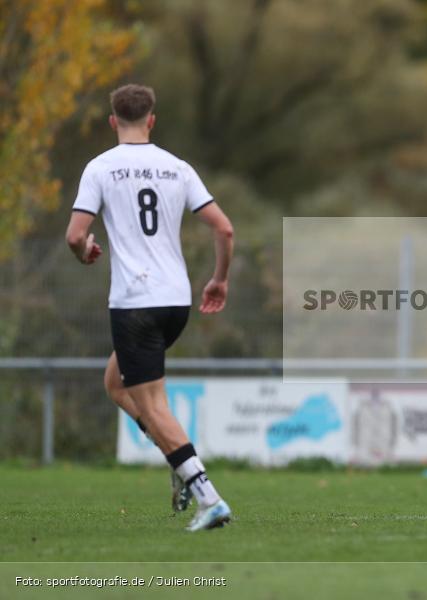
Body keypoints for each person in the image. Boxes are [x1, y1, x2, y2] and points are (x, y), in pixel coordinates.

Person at [65, 84, 234, 531]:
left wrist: (85, 251)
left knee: (153, 404)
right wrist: (218, 279)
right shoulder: (176, 167)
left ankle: (207, 495)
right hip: (176, 301)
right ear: (152, 120)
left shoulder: (100, 168)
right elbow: (224, 229)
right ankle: (178, 460)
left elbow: (74, 235)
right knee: (115, 383)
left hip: (135, 302)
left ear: (112, 121)